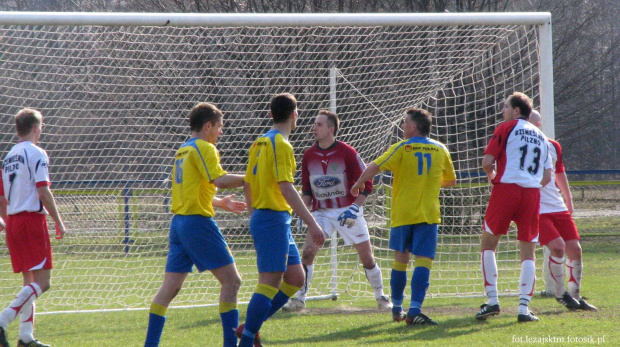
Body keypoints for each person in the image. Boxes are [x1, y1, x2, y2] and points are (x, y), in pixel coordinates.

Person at [144, 103, 247, 347]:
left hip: (179, 223)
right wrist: (253, 176)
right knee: (232, 282)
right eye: (219, 127)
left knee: (170, 289)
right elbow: (219, 179)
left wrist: (219, 203)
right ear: (208, 125)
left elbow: (193, 190)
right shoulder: (204, 147)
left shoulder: (183, 150)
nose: (221, 132)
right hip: (196, 223)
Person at [351, 107, 456, 326]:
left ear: (414, 126)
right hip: (428, 213)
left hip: (403, 214)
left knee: (400, 260)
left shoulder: (402, 147)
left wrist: (359, 182)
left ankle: (398, 308)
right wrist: (430, 182)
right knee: (423, 261)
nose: (402, 126)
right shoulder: (441, 149)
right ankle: (415, 309)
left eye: (405, 122)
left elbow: (375, 166)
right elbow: (451, 180)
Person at [237, 93, 325, 347]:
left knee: (296, 278)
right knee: (269, 282)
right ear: (294, 115)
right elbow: (286, 187)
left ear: (271, 114)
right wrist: (311, 222)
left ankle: (250, 328)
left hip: (272, 219)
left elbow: (247, 183)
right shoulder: (281, 145)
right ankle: (247, 339)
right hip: (272, 219)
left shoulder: (259, 142)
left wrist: (254, 214)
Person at [282, 110, 391, 312]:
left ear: (331, 129)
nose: (314, 128)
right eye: (314, 124)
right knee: (307, 253)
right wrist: (302, 210)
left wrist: (355, 207)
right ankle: (299, 299)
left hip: (347, 211)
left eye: (319, 124)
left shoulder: (348, 152)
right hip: (322, 213)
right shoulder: (308, 155)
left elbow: (367, 183)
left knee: (366, 257)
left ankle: (381, 296)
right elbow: (307, 190)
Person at [475, 92, 553, 323]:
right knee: (528, 251)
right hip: (531, 194)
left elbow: (487, 162)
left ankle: (492, 301)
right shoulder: (541, 135)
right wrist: (529, 184)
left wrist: (492, 177)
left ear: (516, 111)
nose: (503, 111)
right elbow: (547, 176)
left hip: (506, 189)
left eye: (506, 107)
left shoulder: (506, 127)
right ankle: (523, 309)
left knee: (488, 244)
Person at [0, 108, 67, 347]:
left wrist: (5, 222)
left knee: (29, 282)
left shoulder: (8, 157)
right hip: (30, 221)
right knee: (44, 281)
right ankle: (3, 319)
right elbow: (42, 189)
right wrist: (58, 220)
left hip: (13, 222)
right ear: (37, 128)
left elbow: (2, 197)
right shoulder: (37, 153)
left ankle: (25, 337)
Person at [528, 110, 597, 311]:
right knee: (557, 247)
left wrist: (568, 198)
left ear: (538, 125)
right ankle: (561, 294)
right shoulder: (517, 145)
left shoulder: (552, 146)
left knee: (575, 249)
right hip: (537, 208)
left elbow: (559, 172)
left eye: (531, 123)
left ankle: (576, 295)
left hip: (557, 206)